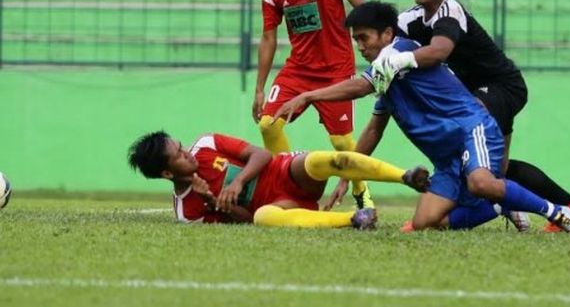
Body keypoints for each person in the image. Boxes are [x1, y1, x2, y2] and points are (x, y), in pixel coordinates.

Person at [273, 1, 570, 235]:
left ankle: (557, 213)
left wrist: (309, 95)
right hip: (447, 157)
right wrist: (347, 176)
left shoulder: (397, 53)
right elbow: (373, 130)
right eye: (356, 40)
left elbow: (359, 86)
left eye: (364, 38)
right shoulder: (387, 75)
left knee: (481, 182)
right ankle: (502, 204)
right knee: (426, 223)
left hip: (471, 128)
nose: (360, 47)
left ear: (386, 34)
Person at [369, 0, 570, 232]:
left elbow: (439, 52)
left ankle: (558, 210)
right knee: (500, 171)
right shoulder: (411, 18)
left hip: (502, 86)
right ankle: (553, 206)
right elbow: (381, 29)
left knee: (471, 130)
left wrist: (399, 60)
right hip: (474, 91)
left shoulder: (450, 12)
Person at [252, 0, 373, 208]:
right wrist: (260, 88)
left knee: (342, 143)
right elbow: (268, 38)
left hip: (337, 71)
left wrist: (370, 44)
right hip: (298, 71)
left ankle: (363, 197)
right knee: (268, 125)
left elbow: (365, 9)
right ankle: (289, 186)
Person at [127, 130, 429, 228]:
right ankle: (354, 218)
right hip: (281, 205)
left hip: (285, 171)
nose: (187, 153)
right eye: (179, 155)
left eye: (180, 146)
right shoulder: (188, 212)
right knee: (262, 217)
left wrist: (238, 182)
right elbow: (244, 221)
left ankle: (405, 176)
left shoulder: (206, 144)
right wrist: (214, 201)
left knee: (322, 160)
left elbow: (262, 155)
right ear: (167, 173)